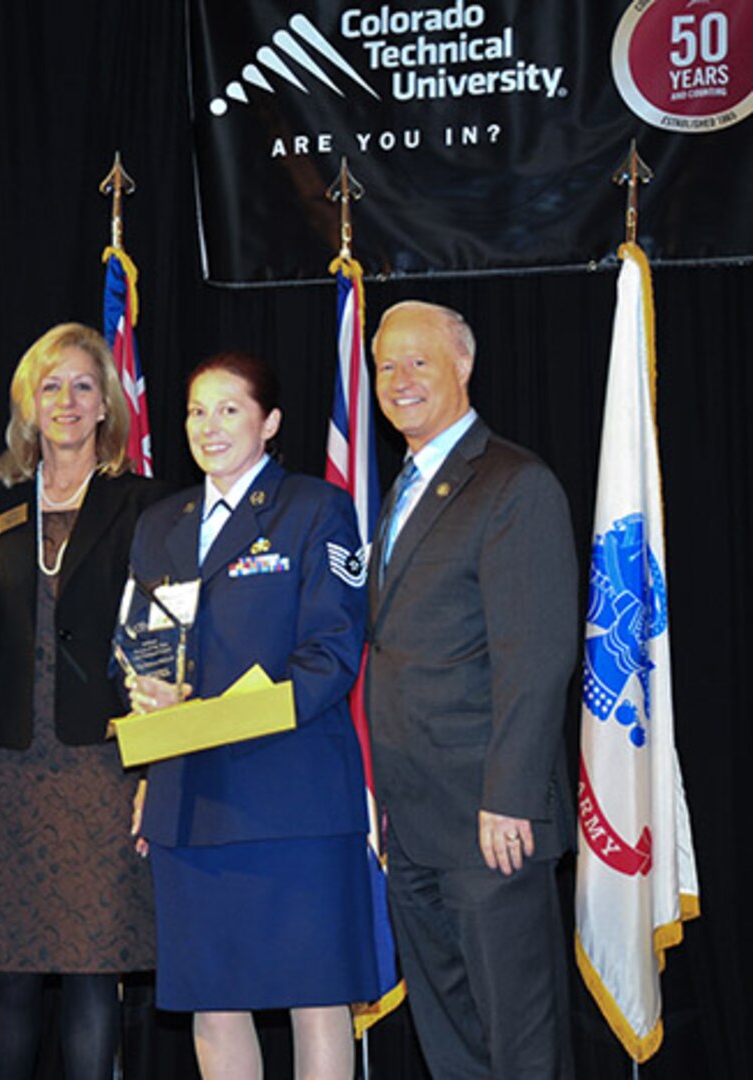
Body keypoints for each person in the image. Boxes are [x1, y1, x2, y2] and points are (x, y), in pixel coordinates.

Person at [126, 352, 378, 1080]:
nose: (209, 426)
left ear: (269, 423)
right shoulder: (159, 524)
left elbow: (332, 655)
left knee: (315, 993)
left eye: (229, 409)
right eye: (197, 410)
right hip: (190, 799)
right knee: (214, 997)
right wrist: (150, 718)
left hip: (290, 792)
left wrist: (207, 714)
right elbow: (144, 651)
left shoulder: (315, 509)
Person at [0, 322, 164, 1080]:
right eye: (50, 386)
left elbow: (162, 646)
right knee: (8, 969)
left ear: (105, 405)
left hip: (105, 768)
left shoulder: (145, 504)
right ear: (27, 408)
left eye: (81, 386)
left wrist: (155, 772)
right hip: (7, 767)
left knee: (94, 969)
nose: (65, 401)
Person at [366, 300, 578, 1078]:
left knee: (517, 1041)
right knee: (450, 1041)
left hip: (491, 821)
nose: (400, 379)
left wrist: (512, 795)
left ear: (463, 365)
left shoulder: (513, 484)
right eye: (386, 364)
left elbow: (538, 653)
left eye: (419, 360)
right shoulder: (407, 487)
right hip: (415, 819)